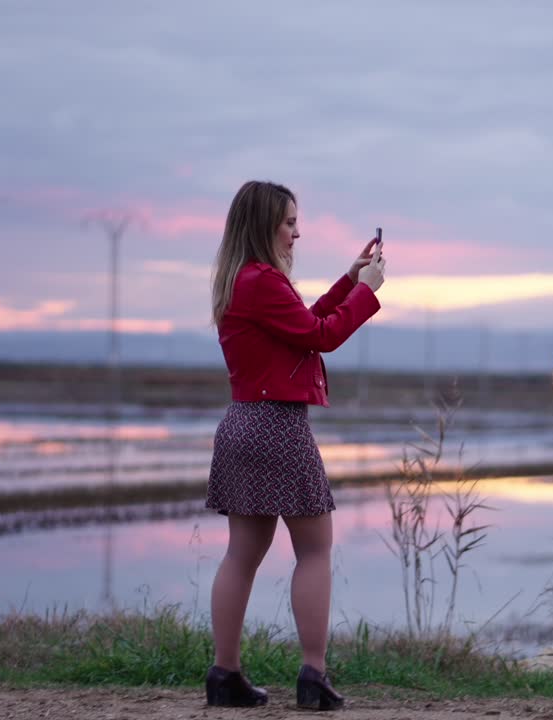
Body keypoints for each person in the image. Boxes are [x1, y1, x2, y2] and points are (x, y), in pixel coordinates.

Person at [203, 180, 386, 710]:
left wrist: (349, 282)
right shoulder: (262, 281)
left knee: (242, 554)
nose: (297, 232)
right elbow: (322, 336)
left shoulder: (243, 280)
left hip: (240, 423)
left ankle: (225, 675)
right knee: (315, 549)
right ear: (265, 226)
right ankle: (313, 674)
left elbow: (304, 324)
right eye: (288, 222)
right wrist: (368, 292)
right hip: (278, 427)